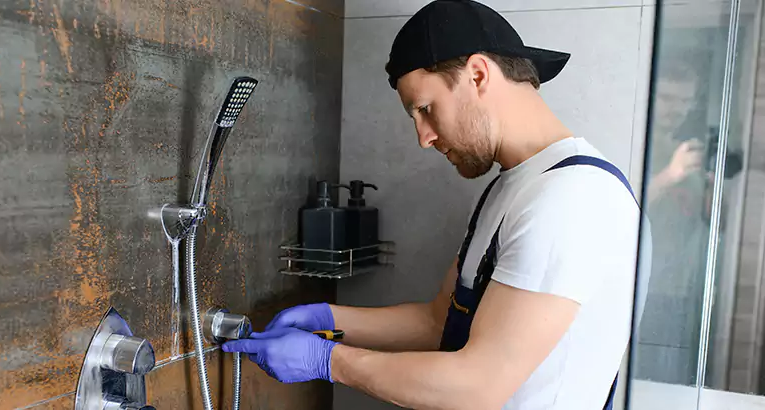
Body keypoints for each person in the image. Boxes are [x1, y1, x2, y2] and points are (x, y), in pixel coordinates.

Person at [223, 1, 648, 409]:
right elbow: (436, 322)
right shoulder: (513, 187)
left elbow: (477, 388)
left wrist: (327, 361)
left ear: (478, 75)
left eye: (425, 109)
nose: (423, 137)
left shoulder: (572, 199)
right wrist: (326, 317)